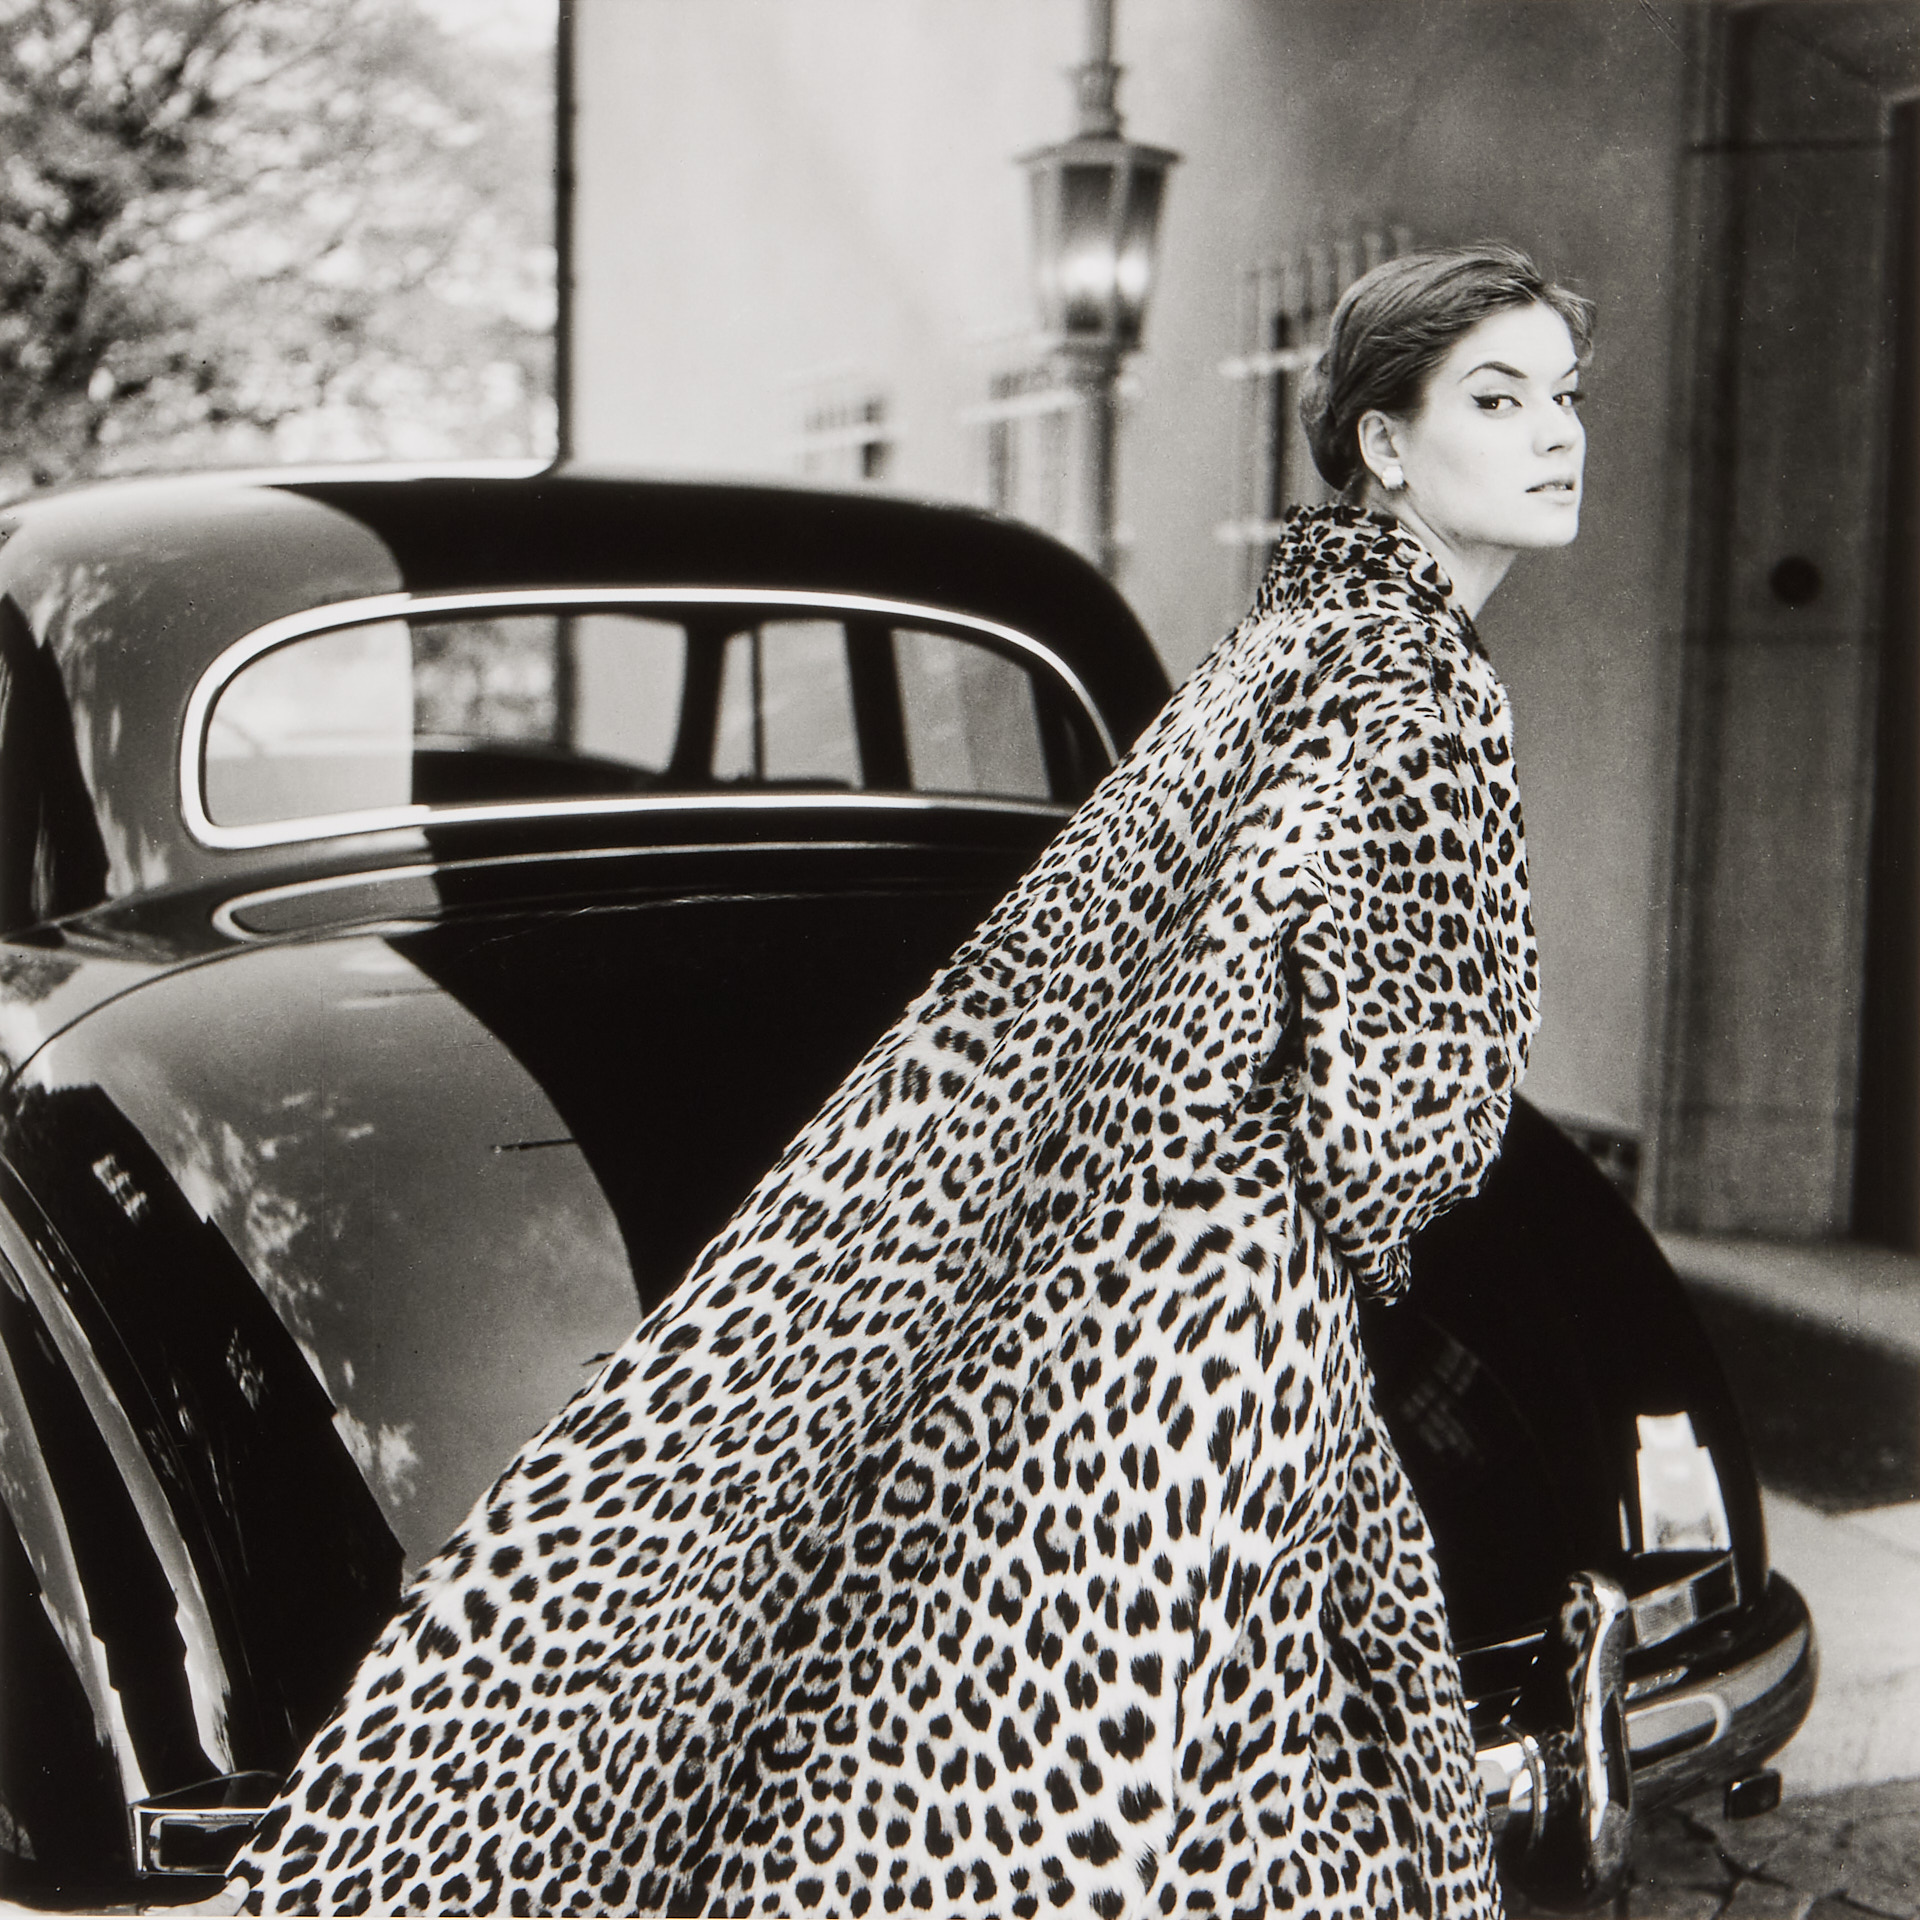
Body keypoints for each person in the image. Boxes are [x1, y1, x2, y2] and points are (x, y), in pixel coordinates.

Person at [226, 242, 1589, 1919]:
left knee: (1082, 1761)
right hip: (1231, 1318)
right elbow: (1401, 1106)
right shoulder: (1428, 686)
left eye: (1564, 397)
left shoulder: (1289, 641)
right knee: (1164, 1786)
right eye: (1499, 398)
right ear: (1385, 445)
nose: (1556, 435)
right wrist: (1357, 1231)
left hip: (1088, 1271)